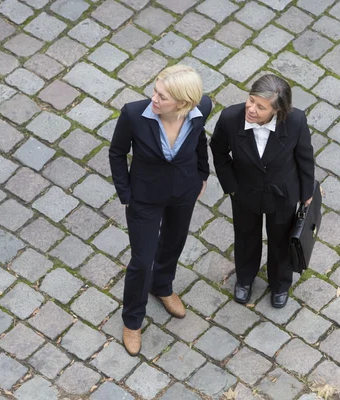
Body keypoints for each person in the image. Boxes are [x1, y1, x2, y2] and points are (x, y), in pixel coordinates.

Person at [109, 65, 211, 355]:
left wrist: (202, 173)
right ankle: (132, 320)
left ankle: (162, 286)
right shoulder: (133, 114)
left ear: (183, 103)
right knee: (141, 261)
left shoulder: (202, 108)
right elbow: (117, 153)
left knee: (173, 243)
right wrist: (125, 193)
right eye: (155, 90)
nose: (154, 98)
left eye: (162, 96)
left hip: (183, 191)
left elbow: (200, 138)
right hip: (144, 198)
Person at [210, 74, 315, 309]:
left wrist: (306, 192)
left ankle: (280, 283)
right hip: (245, 191)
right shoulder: (230, 118)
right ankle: (245, 278)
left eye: (260, 106)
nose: (252, 109)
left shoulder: (296, 121)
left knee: (281, 239)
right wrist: (232, 187)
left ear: (277, 110)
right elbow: (218, 150)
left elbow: (305, 157)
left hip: (282, 193)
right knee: (246, 236)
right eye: (251, 100)